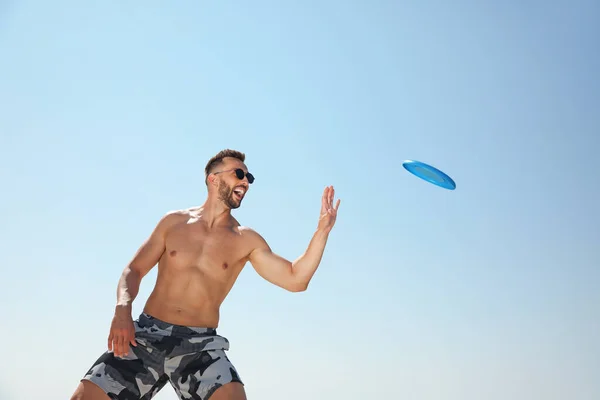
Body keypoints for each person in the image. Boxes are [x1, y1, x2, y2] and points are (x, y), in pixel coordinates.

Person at [70, 149, 341, 400]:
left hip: (199, 345)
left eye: (249, 177)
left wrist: (322, 231)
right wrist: (122, 309)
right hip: (146, 335)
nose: (246, 182)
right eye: (239, 174)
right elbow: (134, 269)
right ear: (213, 179)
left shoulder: (245, 239)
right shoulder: (173, 223)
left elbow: (296, 279)